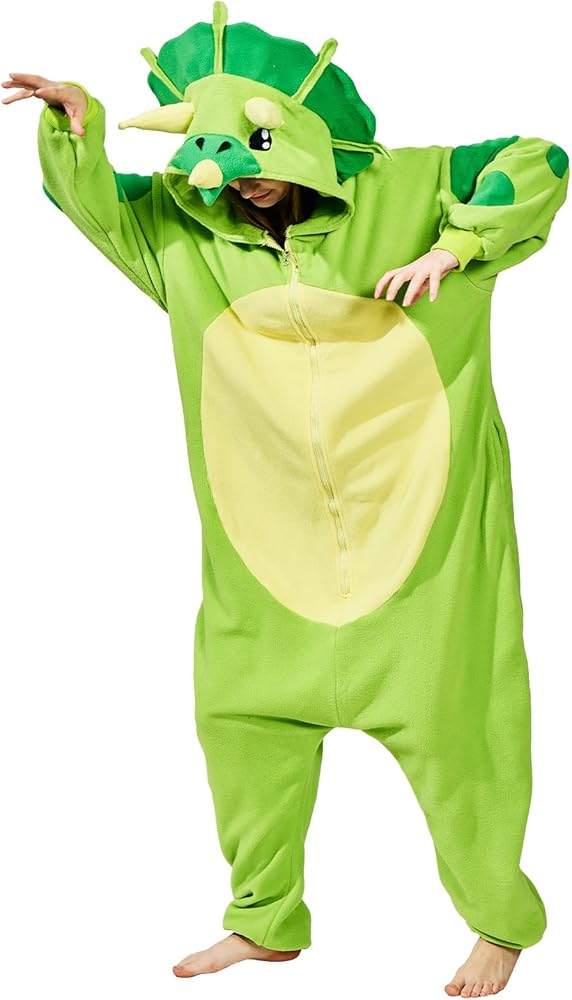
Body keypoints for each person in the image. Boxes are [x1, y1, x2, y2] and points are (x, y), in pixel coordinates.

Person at [3, 2, 568, 995]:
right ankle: (264, 920)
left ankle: (499, 918)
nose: (240, 177)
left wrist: (456, 247)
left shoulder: (408, 186)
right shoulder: (183, 230)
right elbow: (95, 205)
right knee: (240, 720)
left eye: (256, 150)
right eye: (216, 157)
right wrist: (75, 124)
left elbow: (538, 160)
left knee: (459, 726)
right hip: (267, 546)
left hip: (421, 540)